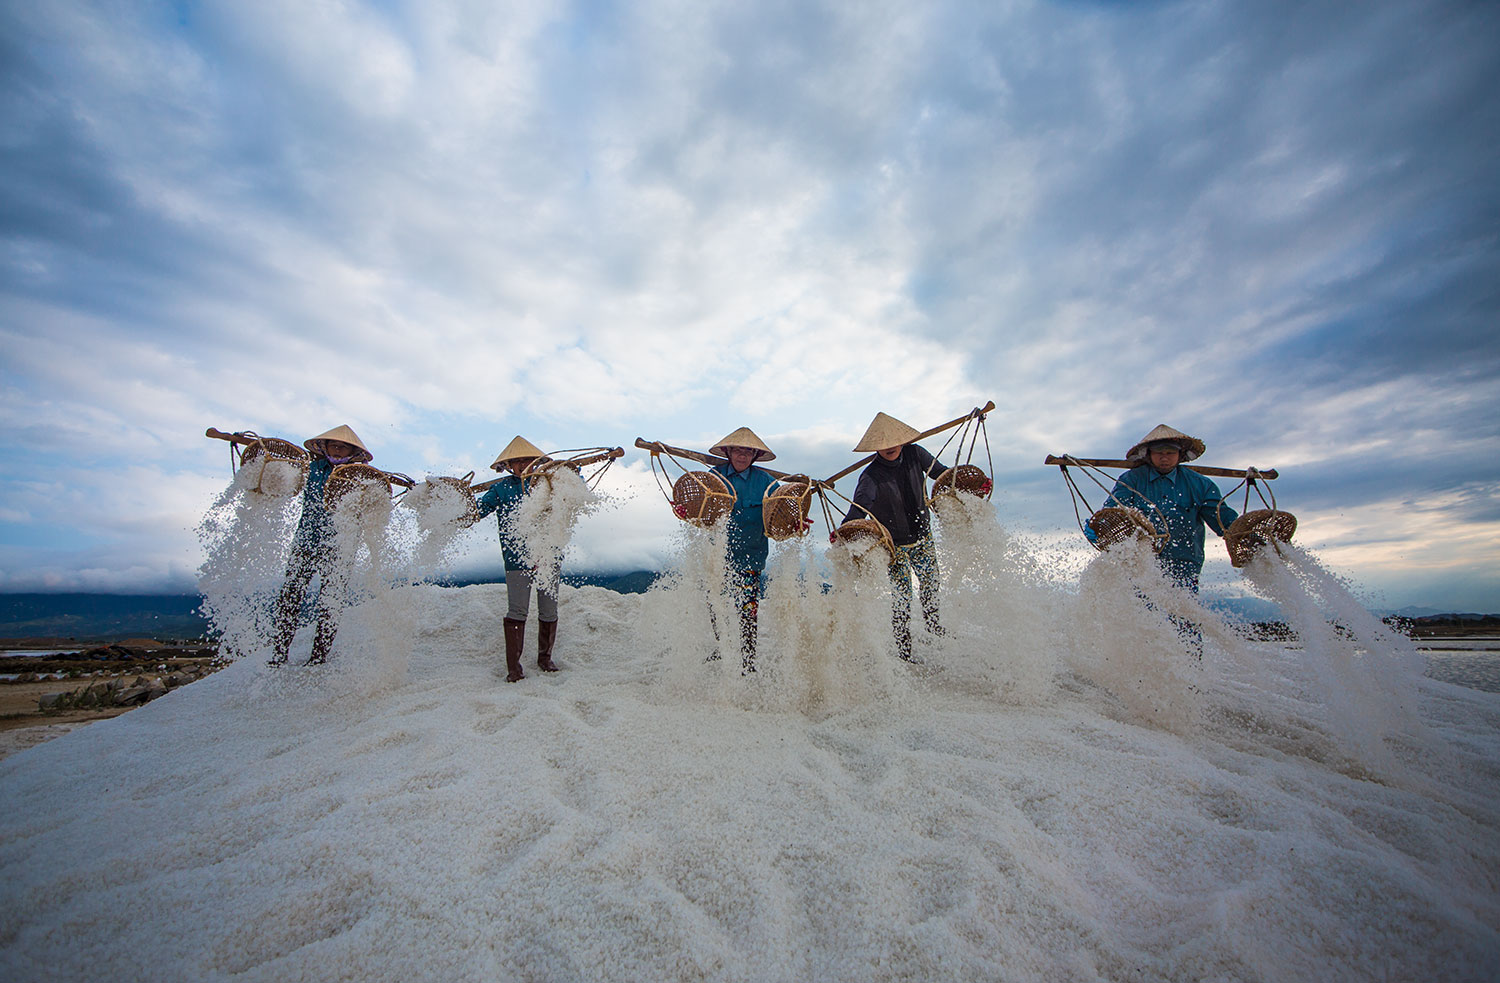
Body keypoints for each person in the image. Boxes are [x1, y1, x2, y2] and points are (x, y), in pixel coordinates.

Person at [841, 412, 951, 662]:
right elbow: (861, 507)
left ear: (902, 440)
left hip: (923, 536)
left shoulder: (916, 454)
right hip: (895, 546)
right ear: (876, 447)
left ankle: (934, 625)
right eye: (883, 443)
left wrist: (963, 484)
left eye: (893, 441)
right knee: (902, 596)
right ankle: (904, 650)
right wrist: (844, 528)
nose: (889, 447)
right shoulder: (870, 475)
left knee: (931, 582)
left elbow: (941, 474)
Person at [269, 424, 373, 666]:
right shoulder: (311, 467)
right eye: (333, 445)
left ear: (351, 450)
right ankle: (278, 654)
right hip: (306, 540)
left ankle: (319, 656)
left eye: (342, 446)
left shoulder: (360, 475)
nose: (336, 449)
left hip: (339, 546)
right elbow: (283, 461)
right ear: (324, 447)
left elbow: (374, 499)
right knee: (290, 596)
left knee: (330, 601)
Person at [1097, 424, 1238, 593]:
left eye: (1170, 453)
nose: (1165, 458)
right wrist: (1099, 527)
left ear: (1180, 455)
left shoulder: (1200, 484)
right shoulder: (1131, 480)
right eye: (1159, 453)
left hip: (1185, 565)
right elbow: (1113, 511)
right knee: (1142, 612)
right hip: (1141, 565)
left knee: (1183, 615)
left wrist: (1240, 532)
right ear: (1149, 454)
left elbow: (1222, 520)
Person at [475, 436, 560, 683]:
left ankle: (545, 659)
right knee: (517, 611)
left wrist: (571, 473)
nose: (522, 465)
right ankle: (514, 668)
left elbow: (572, 491)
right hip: (516, 558)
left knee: (548, 609)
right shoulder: (501, 488)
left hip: (548, 555)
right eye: (517, 462)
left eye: (527, 460)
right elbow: (479, 511)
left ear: (537, 462)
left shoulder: (549, 483)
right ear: (509, 465)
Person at [709, 427, 779, 673]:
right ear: (728, 452)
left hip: (751, 556)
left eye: (748, 452)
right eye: (738, 450)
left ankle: (748, 660)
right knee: (716, 605)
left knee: (748, 610)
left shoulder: (766, 482)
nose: (742, 456)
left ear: (754, 456)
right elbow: (698, 508)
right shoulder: (713, 477)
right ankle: (721, 649)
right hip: (718, 556)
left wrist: (796, 521)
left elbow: (782, 511)